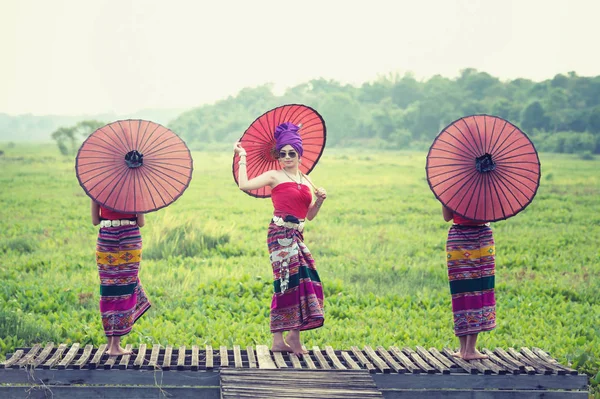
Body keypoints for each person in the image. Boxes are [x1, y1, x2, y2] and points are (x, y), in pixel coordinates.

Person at [233, 122, 327, 356]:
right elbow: (244, 185)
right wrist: (242, 157)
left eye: (291, 153)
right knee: (285, 282)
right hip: (279, 234)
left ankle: (289, 337)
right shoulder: (274, 175)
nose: (286, 157)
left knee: (306, 281)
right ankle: (285, 338)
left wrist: (320, 200)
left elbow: (309, 216)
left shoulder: (306, 180)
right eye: (282, 153)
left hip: (297, 234)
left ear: (299, 154)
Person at [91, 200, 151, 356]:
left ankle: (110, 344)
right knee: (126, 287)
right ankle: (115, 347)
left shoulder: (98, 190)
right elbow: (141, 222)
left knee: (108, 289)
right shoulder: (134, 191)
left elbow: (95, 221)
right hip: (129, 238)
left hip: (106, 238)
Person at [443, 205, 495, 360]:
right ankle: (470, 350)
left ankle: (462, 348)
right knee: (478, 289)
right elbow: (490, 215)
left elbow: (447, 217)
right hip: (479, 238)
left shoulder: (451, 188)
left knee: (461, 290)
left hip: (456, 238)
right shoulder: (485, 188)